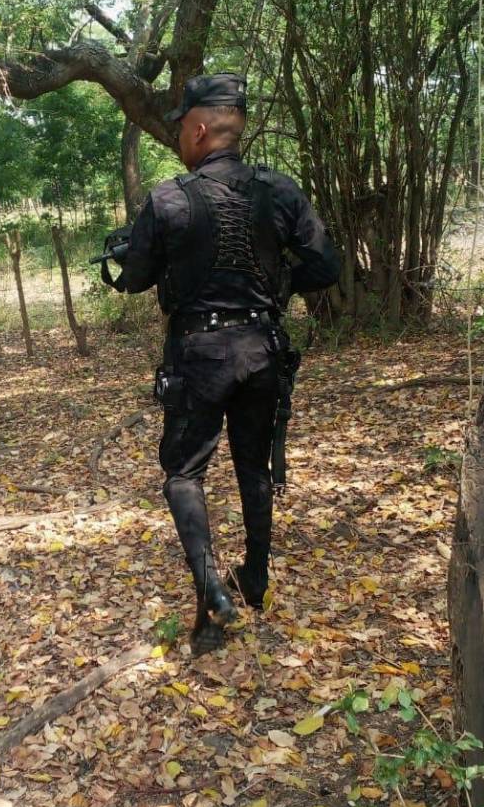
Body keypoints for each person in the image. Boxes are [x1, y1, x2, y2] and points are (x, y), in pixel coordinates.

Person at [107, 73, 340, 654]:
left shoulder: (168, 199)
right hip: (261, 352)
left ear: (201, 128)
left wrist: (132, 255)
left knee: (185, 474)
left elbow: (134, 280)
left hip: (199, 356)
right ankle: (254, 579)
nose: (180, 141)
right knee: (253, 469)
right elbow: (325, 266)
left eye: (181, 130)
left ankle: (212, 594)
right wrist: (276, 286)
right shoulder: (279, 190)